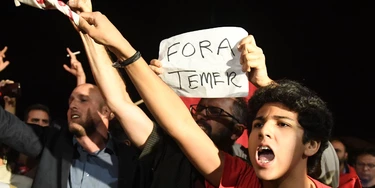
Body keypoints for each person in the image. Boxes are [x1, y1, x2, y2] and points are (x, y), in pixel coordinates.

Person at [75, 11, 333, 187]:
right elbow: (180, 124)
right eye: (259, 123)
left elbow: (317, 129)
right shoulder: (239, 179)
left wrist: (266, 86)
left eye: (282, 124)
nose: (264, 131)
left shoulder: (241, 171)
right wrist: (120, 46)